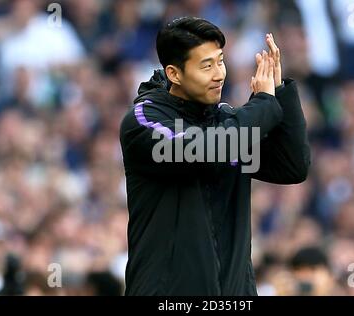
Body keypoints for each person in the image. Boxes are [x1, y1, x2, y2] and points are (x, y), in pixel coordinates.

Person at [119, 17, 310, 296]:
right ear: (174, 73)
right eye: (206, 66)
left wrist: (280, 92)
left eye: (220, 61)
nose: (219, 74)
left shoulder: (227, 122)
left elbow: (292, 167)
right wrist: (263, 104)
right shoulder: (144, 120)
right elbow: (206, 150)